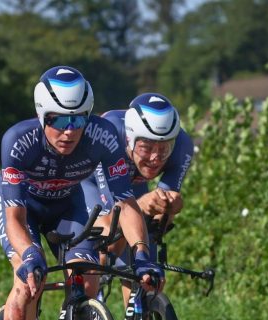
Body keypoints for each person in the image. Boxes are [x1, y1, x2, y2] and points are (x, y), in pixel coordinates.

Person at [0, 66, 162, 320]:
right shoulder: (18, 141)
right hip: (26, 210)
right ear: (41, 115)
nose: (69, 130)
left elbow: (126, 202)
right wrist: (30, 255)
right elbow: (16, 218)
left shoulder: (102, 137)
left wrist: (142, 253)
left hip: (70, 206)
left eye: (77, 119)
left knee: (85, 276)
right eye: (57, 120)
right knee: (27, 285)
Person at [83, 92, 195, 300]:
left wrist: (169, 207)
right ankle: (87, 303)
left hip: (134, 187)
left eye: (163, 149)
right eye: (146, 148)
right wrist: (140, 208)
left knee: (145, 275)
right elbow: (117, 214)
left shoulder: (182, 145)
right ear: (130, 139)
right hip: (92, 182)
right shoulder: (110, 132)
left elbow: (161, 213)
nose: (155, 158)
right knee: (108, 239)